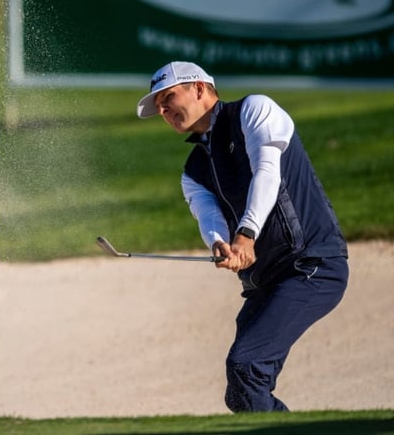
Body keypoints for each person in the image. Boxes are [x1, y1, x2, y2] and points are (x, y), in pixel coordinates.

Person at [136, 61, 348, 412]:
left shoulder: (255, 109)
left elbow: (267, 173)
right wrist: (220, 244)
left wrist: (246, 235)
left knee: (246, 365)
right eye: (158, 106)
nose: (162, 109)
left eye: (168, 96)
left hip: (312, 266)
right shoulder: (193, 170)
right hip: (267, 282)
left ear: (200, 89)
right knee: (241, 390)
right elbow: (209, 217)